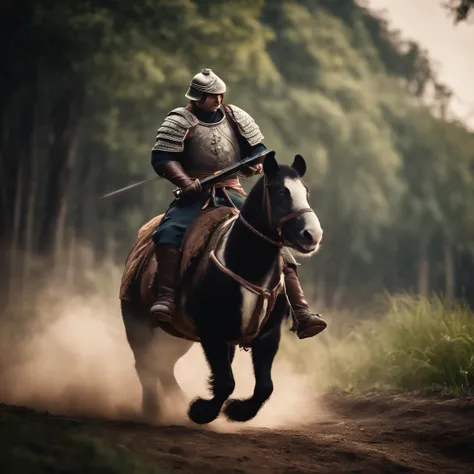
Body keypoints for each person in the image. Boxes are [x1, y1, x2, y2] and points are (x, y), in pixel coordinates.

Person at [149, 68, 327, 339]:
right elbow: (163, 157)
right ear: (198, 97)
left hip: (231, 190)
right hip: (194, 195)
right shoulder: (180, 120)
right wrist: (186, 182)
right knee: (168, 233)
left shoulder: (235, 117)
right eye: (211, 96)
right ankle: (166, 297)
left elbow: (258, 149)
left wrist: (255, 162)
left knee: (274, 235)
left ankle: (300, 311)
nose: (218, 100)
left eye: (220, 95)